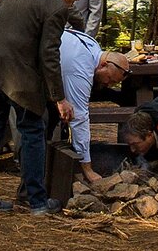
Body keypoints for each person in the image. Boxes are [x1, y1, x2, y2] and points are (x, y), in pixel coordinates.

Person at [0, 0, 84, 215]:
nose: (71, 5)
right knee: (33, 132)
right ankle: (37, 202)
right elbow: (49, 55)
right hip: (19, 77)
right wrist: (59, 98)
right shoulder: (56, 7)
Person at [52, 21, 129, 169]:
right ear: (104, 65)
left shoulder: (92, 45)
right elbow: (79, 117)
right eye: (110, 80)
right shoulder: (81, 68)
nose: (108, 85)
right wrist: (87, 166)